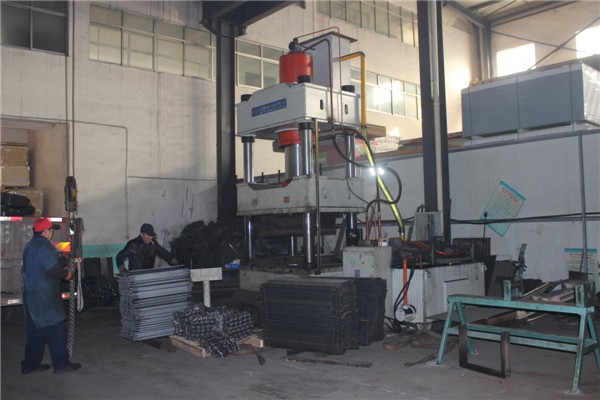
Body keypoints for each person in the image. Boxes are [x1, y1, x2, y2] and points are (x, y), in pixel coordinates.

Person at [21, 217, 82, 374]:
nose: (52, 234)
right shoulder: (46, 246)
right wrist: (67, 274)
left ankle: (30, 365)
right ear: (46, 232)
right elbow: (53, 270)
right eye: (51, 230)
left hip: (31, 296)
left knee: (36, 333)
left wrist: (62, 260)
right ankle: (61, 364)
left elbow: (43, 265)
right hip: (44, 298)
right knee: (56, 330)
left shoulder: (30, 245)